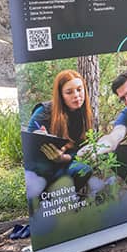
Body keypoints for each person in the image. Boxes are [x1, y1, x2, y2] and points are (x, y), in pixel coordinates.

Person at [24, 69, 94, 199]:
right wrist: (38, 137)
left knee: (84, 169)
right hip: (40, 169)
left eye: (80, 89)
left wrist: (63, 158)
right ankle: (41, 200)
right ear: (60, 95)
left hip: (63, 167)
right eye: (69, 92)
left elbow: (82, 149)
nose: (76, 95)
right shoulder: (43, 112)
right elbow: (27, 147)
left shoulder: (84, 115)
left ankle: (59, 200)